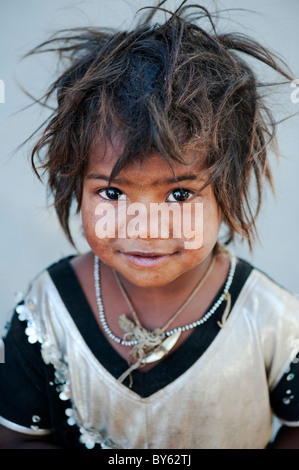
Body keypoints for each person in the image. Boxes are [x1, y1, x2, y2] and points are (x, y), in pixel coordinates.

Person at [0, 1, 299, 449]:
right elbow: (18, 437)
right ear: (74, 185)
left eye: (179, 194)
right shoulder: (47, 310)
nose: (145, 227)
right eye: (112, 192)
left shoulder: (269, 319)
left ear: (227, 191)